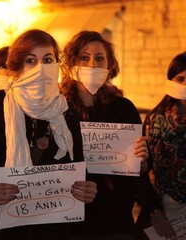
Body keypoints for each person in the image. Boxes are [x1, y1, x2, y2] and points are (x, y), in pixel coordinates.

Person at [0, 29, 97, 240]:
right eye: (30, 61)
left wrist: (86, 190)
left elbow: (78, 172)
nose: (41, 69)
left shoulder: (66, 113)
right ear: (16, 68)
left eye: (47, 60)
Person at [60, 30, 157, 240]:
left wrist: (140, 164)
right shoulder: (56, 110)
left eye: (99, 58)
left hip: (114, 223)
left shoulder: (123, 108)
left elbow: (137, 169)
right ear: (71, 64)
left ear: (109, 66)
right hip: (67, 224)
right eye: (84, 57)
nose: (92, 64)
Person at [144, 52, 186, 239]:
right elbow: (144, 168)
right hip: (166, 205)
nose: (185, 84)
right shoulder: (155, 119)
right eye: (180, 79)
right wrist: (154, 209)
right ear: (171, 81)